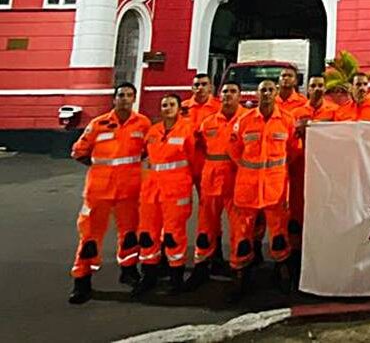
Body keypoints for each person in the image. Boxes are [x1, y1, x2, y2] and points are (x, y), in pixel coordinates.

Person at [68, 83, 152, 304]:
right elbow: (79, 152)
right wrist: (100, 169)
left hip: (130, 189)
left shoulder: (143, 124)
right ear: (114, 99)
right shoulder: (98, 124)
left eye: (129, 95)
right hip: (99, 191)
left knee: (130, 233)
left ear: (134, 99)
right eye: (121, 95)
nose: (125, 99)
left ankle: (129, 269)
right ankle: (82, 280)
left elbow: (146, 151)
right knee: (89, 238)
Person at [227, 80, 295, 302]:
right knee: (242, 234)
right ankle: (240, 273)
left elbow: (293, 150)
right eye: (262, 90)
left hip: (275, 188)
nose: (266, 94)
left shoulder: (287, 120)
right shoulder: (243, 121)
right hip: (247, 187)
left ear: (276, 93)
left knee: (278, 233)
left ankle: (281, 269)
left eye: (270, 90)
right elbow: (234, 150)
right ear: (256, 94)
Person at [132, 94, 196, 297]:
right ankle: (149, 275)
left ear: (179, 108)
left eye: (171, 105)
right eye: (164, 105)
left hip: (176, 190)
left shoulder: (188, 129)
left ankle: (176, 277)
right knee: (147, 234)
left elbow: (194, 159)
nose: (167, 108)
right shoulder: (153, 131)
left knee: (173, 235)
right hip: (151, 190)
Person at [186, 81, 244, 290]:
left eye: (233, 91)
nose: (229, 95)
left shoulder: (247, 120)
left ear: (239, 95)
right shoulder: (208, 123)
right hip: (210, 175)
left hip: (236, 175)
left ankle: (239, 270)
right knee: (206, 223)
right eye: (226, 91)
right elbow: (198, 145)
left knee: (239, 226)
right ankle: (202, 265)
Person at [288, 75, 339, 277]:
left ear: (325, 88)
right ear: (307, 89)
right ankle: (296, 252)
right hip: (300, 167)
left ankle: (322, 250)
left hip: (325, 169)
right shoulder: (296, 113)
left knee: (324, 208)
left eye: (320, 85)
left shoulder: (334, 112)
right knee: (297, 210)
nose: (317, 88)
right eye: (313, 86)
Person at [181, 73, 221, 188]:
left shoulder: (219, 107)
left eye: (204, 84)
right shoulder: (183, 107)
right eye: (197, 85)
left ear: (210, 87)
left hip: (208, 161)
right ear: (192, 88)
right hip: (186, 162)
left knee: (206, 200)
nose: (200, 87)